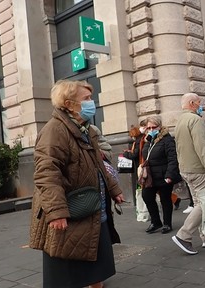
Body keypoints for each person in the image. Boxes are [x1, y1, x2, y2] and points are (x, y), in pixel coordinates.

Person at [29, 80, 125, 288]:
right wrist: (56, 211)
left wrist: (114, 189)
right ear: (69, 104)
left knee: (95, 257)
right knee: (68, 267)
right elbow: (47, 173)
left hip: (91, 207)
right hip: (73, 209)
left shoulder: (85, 129)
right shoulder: (54, 130)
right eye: (87, 99)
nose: (92, 102)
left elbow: (98, 164)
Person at [171, 92, 205, 255]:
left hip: (186, 169)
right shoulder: (196, 120)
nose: (201, 106)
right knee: (203, 203)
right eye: (199, 103)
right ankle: (183, 235)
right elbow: (202, 146)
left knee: (199, 201)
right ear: (192, 103)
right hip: (198, 169)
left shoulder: (180, 121)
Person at [140, 116, 182, 234]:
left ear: (159, 127)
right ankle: (155, 221)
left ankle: (167, 223)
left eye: (154, 127)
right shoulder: (148, 140)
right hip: (150, 176)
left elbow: (172, 158)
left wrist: (170, 175)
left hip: (164, 174)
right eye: (149, 127)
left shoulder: (167, 140)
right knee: (146, 196)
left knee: (165, 199)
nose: (151, 129)